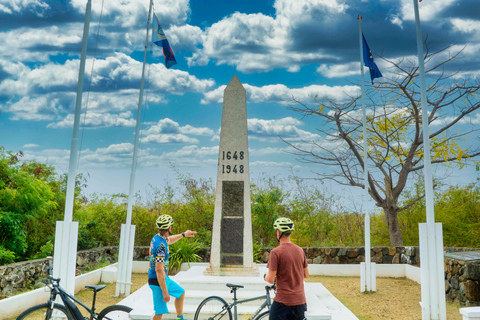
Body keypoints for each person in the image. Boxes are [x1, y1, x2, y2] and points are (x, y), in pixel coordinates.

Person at [148, 214, 197, 320]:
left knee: (180, 293)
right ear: (169, 228)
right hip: (157, 281)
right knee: (159, 312)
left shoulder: (158, 238)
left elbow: (169, 240)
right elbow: (159, 269)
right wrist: (165, 292)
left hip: (162, 278)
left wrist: (184, 234)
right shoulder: (161, 247)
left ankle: (180, 318)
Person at [264, 217, 309, 320]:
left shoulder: (276, 252)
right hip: (300, 301)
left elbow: (270, 279)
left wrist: (265, 276)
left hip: (283, 302)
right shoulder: (300, 250)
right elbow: (306, 275)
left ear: (279, 233)